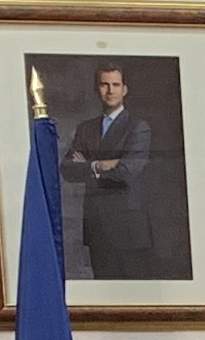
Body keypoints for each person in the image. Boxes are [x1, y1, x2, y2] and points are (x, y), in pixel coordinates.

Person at [63, 62, 155, 278]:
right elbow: (67, 169)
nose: (110, 90)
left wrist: (88, 165)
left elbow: (127, 172)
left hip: (128, 230)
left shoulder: (137, 127)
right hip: (97, 227)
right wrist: (100, 165)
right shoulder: (86, 129)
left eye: (116, 85)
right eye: (104, 85)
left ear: (125, 89)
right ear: (97, 89)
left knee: (131, 293)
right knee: (103, 290)